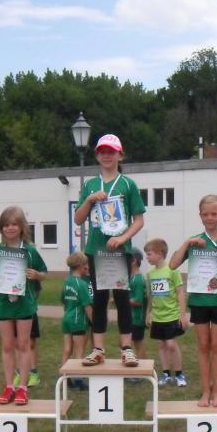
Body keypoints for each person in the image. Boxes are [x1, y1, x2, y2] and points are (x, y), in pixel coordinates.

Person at [73, 134, 146, 367]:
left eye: (111, 152)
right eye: (102, 151)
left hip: (120, 250)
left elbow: (139, 220)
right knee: (100, 299)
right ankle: (98, 349)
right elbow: (78, 219)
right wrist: (89, 200)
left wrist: (122, 238)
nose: (106, 155)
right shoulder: (90, 185)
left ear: (120, 155)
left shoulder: (128, 184)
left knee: (122, 299)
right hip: (96, 250)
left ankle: (127, 349)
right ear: (97, 155)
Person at [170, 194, 217, 407]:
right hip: (200, 300)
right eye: (206, 214)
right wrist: (187, 243)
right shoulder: (195, 241)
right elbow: (172, 264)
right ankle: (205, 392)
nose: (210, 218)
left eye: (214, 214)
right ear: (200, 216)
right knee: (203, 346)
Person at [0, 206, 47, 406]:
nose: (10, 228)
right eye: (6, 225)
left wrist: (37, 275)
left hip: (24, 304)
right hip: (4, 304)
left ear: (21, 227)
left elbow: (44, 273)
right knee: (7, 345)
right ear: (1, 228)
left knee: (23, 345)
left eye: (14, 224)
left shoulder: (30, 251)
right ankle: (9, 386)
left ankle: (23, 388)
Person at [145, 238, 188, 387]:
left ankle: (179, 374)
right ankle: (166, 373)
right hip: (157, 316)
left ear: (159, 253)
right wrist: (148, 313)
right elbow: (150, 296)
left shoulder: (172, 271)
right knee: (161, 345)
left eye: (149, 254)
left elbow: (180, 292)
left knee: (171, 344)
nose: (147, 257)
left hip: (172, 315)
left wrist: (182, 314)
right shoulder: (150, 274)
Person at [60, 252, 93, 390]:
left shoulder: (67, 281)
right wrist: (94, 322)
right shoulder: (82, 284)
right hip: (78, 320)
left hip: (67, 318)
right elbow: (87, 306)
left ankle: (64, 378)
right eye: (85, 264)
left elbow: (63, 299)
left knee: (67, 349)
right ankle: (79, 381)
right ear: (80, 266)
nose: (87, 267)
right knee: (80, 350)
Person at [128, 248, 148, 361]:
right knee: (125, 343)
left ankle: (144, 367)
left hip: (137, 318)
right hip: (131, 318)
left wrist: (123, 300)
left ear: (134, 261)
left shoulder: (138, 279)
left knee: (138, 343)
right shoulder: (132, 278)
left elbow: (138, 301)